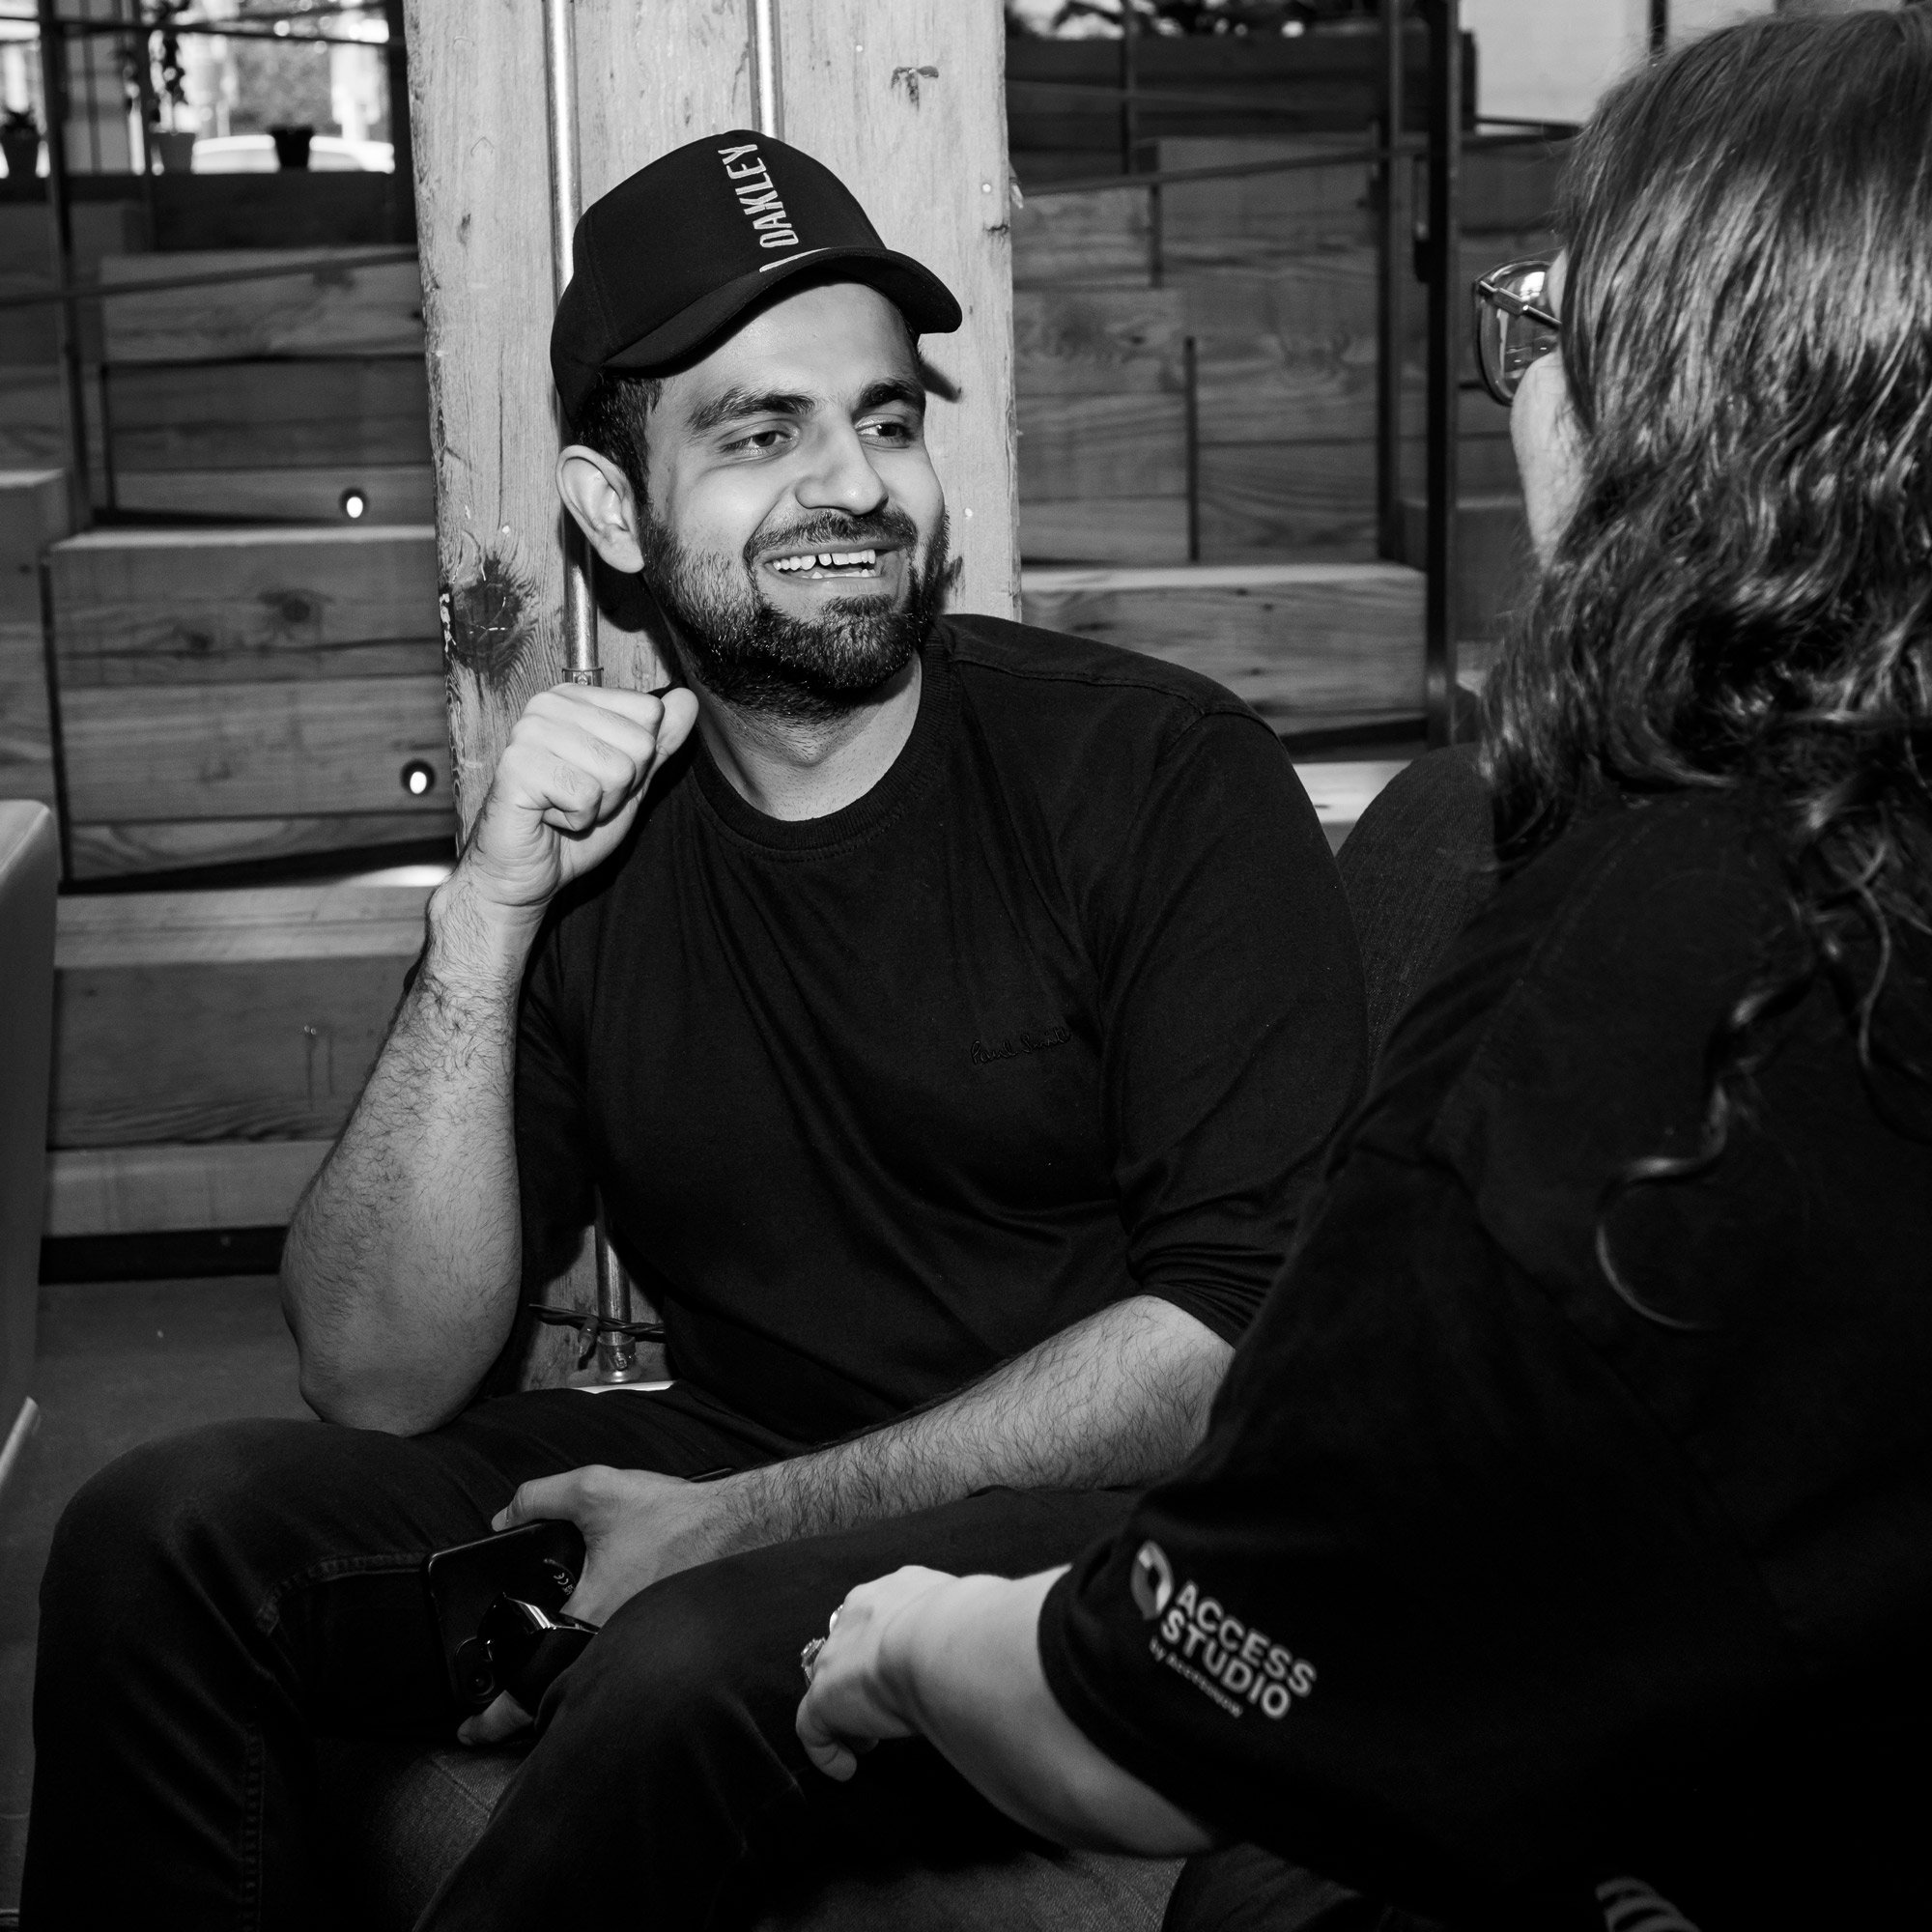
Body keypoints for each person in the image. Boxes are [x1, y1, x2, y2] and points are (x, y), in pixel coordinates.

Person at [22, 134, 1366, 1927]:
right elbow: (375, 1369)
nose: (855, 485)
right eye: (760, 433)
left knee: (684, 1659)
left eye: (884, 421)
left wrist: (748, 1527)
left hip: (1121, 1519)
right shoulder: (602, 849)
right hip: (749, 1448)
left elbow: (1231, 1333)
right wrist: (484, 929)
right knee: (156, 1537)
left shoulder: (1154, 773)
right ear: (608, 507)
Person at [796, 14, 1932, 1931]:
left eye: (1551, 317)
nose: (1519, 390)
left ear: (1666, 409)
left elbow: (1161, 1724)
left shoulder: (1625, 980)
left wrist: (909, 1636)